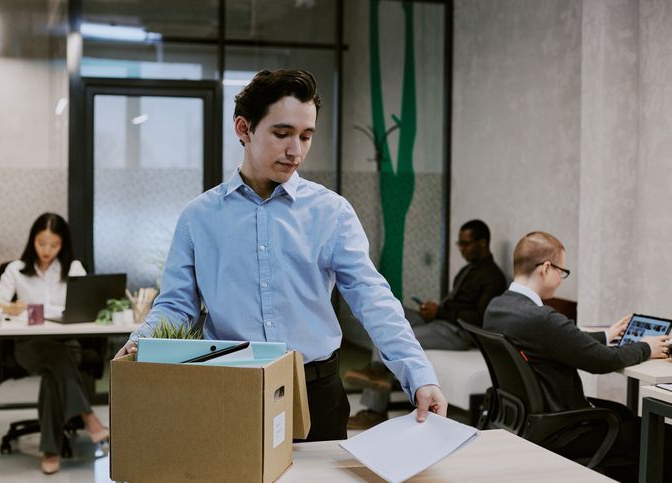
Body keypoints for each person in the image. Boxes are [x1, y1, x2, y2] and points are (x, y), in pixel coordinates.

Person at [114, 69, 447, 441]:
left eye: (306, 136)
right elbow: (177, 305)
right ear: (243, 128)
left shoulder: (332, 213)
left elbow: (374, 300)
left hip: (317, 392)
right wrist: (142, 339)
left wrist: (419, 376)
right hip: (231, 389)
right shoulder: (199, 217)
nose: (296, 151)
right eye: (282, 133)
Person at [484, 231, 670, 481]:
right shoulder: (542, 318)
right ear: (546, 268)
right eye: (562, 271)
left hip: (526, 419)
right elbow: (604, 361)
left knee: (622, 413)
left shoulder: (497, 307)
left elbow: (558, 342)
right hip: (564, 430)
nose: (561, 279)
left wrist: (606, 336)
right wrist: (647, 347)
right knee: (654, 435)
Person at [345, 219, 507, 429]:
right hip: (443, 320)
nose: (462, 249)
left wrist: (440, 311)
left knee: (399, 336)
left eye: (466, 244)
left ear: (483, 242)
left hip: (459, 332)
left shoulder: (493, 277)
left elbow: (481, 318)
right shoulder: (467, 271)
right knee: (389, 317)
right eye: (460, 244)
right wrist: (434, 310)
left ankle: (375, 404)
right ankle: (376, 370)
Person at [0, 213, 109, 475]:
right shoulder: (16, 270)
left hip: (66, 344)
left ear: (62, 244)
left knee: (54, 371)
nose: (47, 250)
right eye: (42, 243)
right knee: (56, 359)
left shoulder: (73, 268)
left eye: (54, 245)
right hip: (29, 346)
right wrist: (12, 306)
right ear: (33, 240)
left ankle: (51, 449)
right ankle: (88, 417)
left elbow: (86, 307)